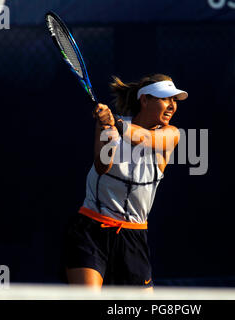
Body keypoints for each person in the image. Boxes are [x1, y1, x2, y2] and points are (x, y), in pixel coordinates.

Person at [63, 74, 188, 289]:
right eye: (165, 98)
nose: (171, 105)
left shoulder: (171, 134)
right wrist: (106, 130)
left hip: (134, 237)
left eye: (174, 100)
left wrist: (117, 125)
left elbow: (147, 139)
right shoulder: (110, 126)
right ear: (145, 100)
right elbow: (103, 167)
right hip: (92, 229)